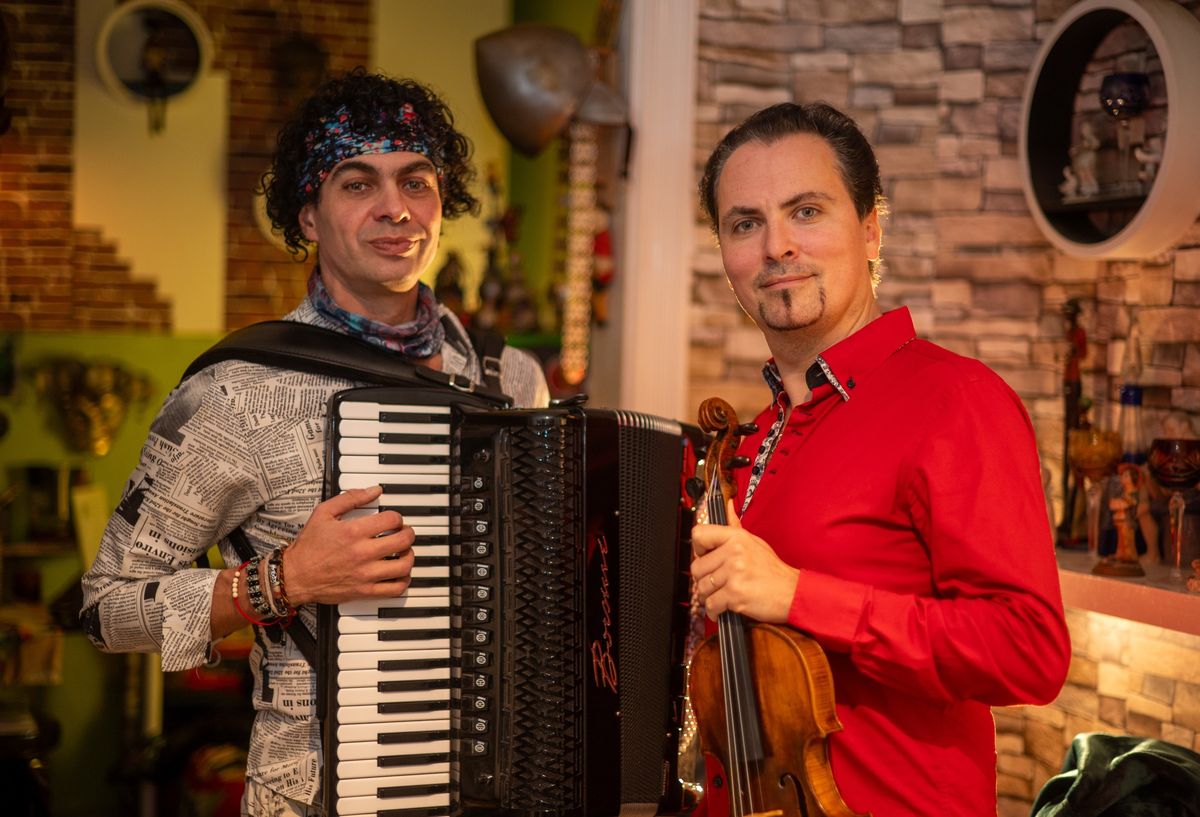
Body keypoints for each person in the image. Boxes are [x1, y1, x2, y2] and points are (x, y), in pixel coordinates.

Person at [81, 70, 549, 816]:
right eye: (357, 184)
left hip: (504, 790)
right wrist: (284, 580)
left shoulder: (512, 377)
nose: (395, 209)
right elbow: (106, 609)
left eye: (416, 182)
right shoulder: (235, 393)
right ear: (307, 214)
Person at [688, 102, 1070, 816]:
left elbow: (1030, 650)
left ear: (870, 228)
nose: (776, 247)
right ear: (725, 254)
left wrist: (800, 595)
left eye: (806, 211)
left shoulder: (956, 399)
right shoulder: (752, 437)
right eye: (745, 223)